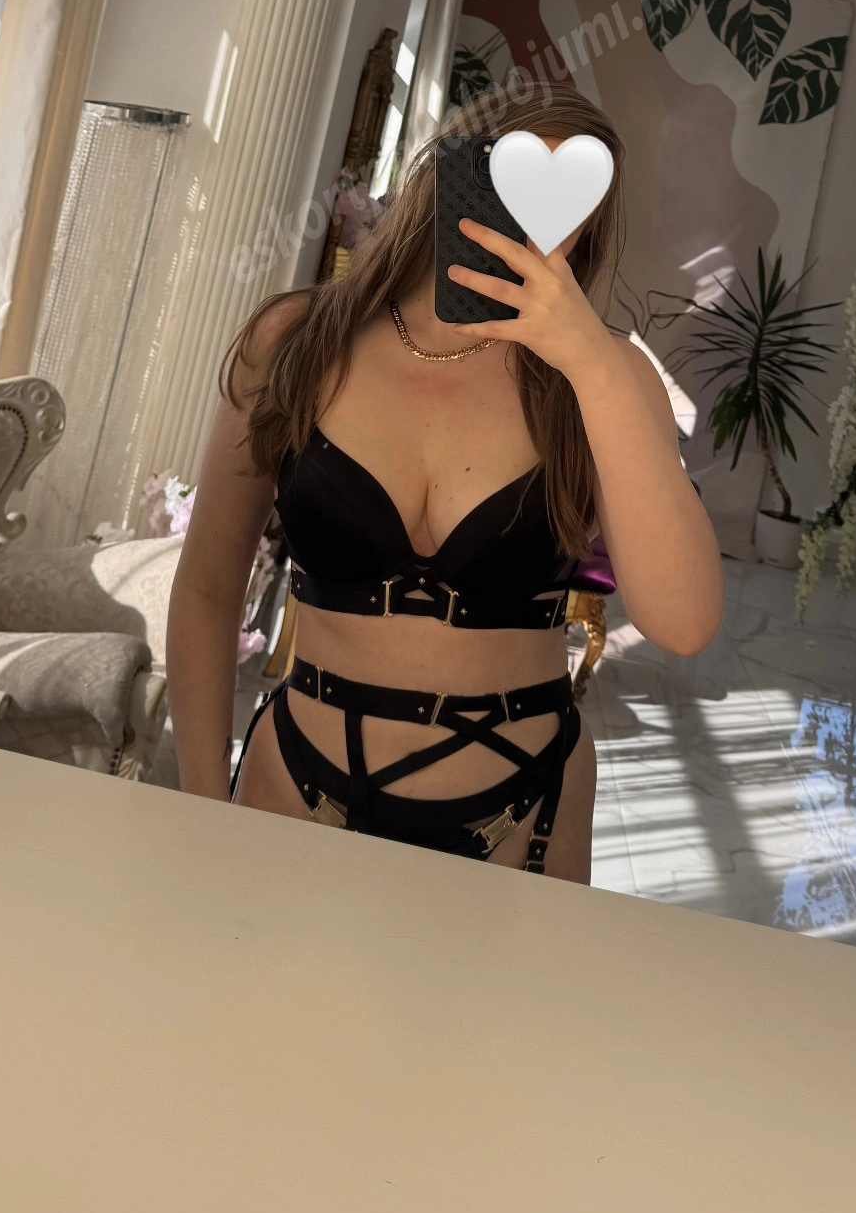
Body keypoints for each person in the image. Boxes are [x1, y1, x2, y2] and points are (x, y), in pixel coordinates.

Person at [167, 81, 723, 881]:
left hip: (523, 820)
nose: (535, 216)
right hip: (293, 788)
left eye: (569, 196)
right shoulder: (294, 342)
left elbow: (686, 622)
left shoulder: (603, 379)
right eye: (514, 179)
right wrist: (197, 806)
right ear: (450, 177)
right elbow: (208, 587)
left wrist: (591, 361)